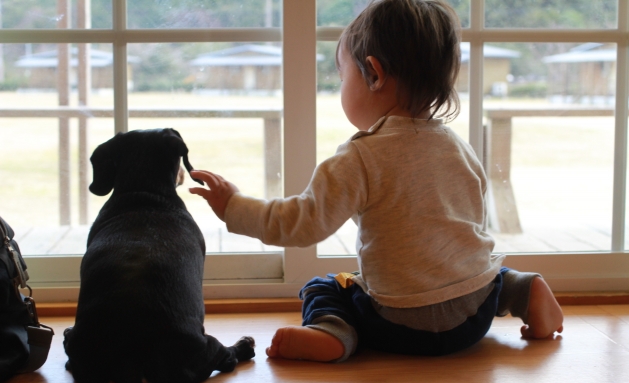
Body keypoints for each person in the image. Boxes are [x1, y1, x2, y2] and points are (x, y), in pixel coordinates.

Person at [189, 0, 563, 363]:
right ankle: (525, 289)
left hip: (402, 323)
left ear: (374, 73)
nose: (340, 86)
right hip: (474, 315)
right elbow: (471, 224)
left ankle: (333, 333)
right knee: (484, 272)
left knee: (325, 287)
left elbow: (300, 222)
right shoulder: (459, 147)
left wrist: (233, 207)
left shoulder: (359, 156)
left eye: (342, 75)